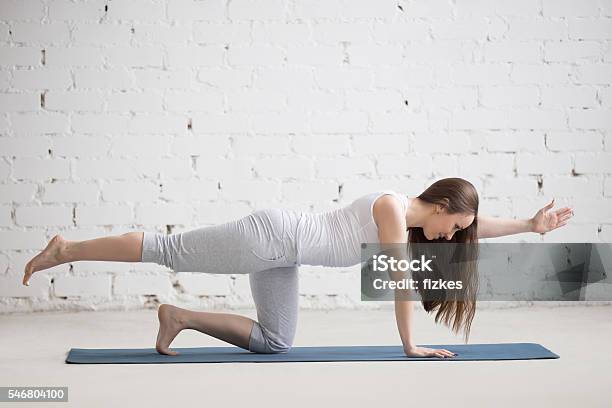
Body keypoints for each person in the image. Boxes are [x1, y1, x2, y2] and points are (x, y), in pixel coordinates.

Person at [21, 177, 574, 358]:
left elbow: (481, 225)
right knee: (172, 250)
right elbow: (403, 285)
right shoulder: (390, 209)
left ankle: (177, 317)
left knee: (278, 341)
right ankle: (66, 248)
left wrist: (529, 223)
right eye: (454, 228)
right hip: (270, 238)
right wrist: (409, 345)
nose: (452, 239)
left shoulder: (409, 216)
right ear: (442, 207)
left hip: (284, 255)